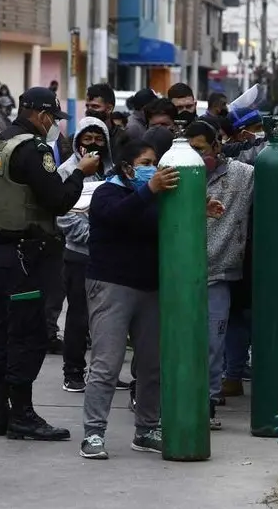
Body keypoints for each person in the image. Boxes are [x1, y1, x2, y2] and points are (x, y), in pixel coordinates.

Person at [79, 139, 223, 459]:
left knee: (152, 365)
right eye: (146, 163)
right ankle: (93, 433)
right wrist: (150, 191)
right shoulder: (107, 192)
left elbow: (165, 225)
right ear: (127, 167)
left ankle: (146, 429)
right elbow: (120, 217)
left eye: (155, 162)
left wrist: (199, 210)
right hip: (111, 287)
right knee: (106, 363)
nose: (153, 168)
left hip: (150, 289)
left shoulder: (157, 195)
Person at [0, 86, 100, 441]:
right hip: (23, 257)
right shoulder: (33, 148)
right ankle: (22, 416)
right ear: (42, 116)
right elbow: (58, 200)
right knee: (28, 334)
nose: (54, 125)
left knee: (3, 330)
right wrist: (80, 171)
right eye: (53, 119)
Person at [186, 120, 250, 429]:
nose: (195, 156)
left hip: (219, 274)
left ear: (216, 146)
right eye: (190, 149)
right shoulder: (177, 172)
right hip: (179, 273)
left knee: (213, 343)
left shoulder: (241, 175)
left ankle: (208, 401)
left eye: (200, 148)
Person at [55, 116, 118, 392]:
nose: (93, 144)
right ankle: (74, 372)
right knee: (79, 317)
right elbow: (64, 218)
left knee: (108, 319)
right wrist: (98, 238)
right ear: (77, 141)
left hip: (110, 257)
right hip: (79, 255)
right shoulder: (67, 171)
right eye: (87, 138)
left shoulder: (112, 171)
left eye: (98, 139)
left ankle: (103, 373)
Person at [85, 83, 130, 156]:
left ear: (109, 109)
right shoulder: (77, 138)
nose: (89, 110)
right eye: (87, 106)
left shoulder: (123, 139)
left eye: (95, 106)